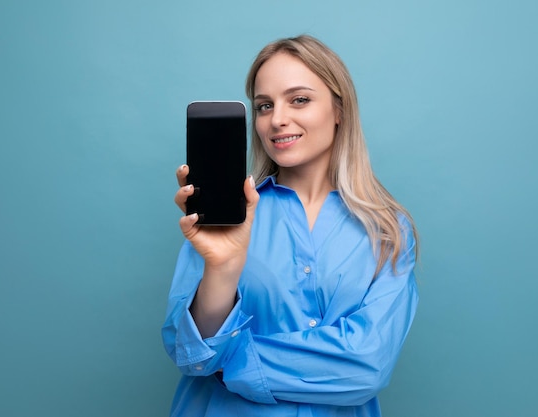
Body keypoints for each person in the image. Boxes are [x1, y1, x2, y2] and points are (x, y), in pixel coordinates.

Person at [162, 34, 419, 417]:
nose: (277, 119)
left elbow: (367, 367)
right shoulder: (229, 218)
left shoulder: (388, 229)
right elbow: (192, 356)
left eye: (299, 99)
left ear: (339, 109)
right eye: (264, 106)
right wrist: (222, 268)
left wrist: (230, 361)